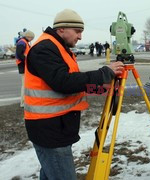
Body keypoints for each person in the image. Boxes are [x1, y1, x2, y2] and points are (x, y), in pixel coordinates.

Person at [24, 9, 124, 180]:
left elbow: (71, 85)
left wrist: (100, 89)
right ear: (61, 29)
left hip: (57, 126)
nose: (80, 37)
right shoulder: (45, 49)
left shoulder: (59, 48)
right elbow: (63, 82)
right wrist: (103, 73)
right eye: (77, 32)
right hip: (50, 130)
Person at [15, 30, 35, 107]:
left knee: (25, 84)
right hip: (23, 65)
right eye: (32, 38)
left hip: (23, 64)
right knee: (25, 84)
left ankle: (24, 101)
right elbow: (20, 54)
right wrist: (27, 60)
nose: (31, 40)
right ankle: (23, 102)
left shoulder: (23, 42)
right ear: (29, 37)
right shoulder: (22, 42)